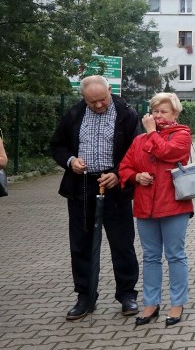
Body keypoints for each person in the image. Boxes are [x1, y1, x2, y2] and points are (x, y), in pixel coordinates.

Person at [50, 75, 140, 320]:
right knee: (81, 243)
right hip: (81, 186)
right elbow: (57, 146)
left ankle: (127, 295)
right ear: (83, 98)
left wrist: (118, 174)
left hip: (115, 186)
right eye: (93, 102)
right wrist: (71, 161)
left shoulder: (127, 113)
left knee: (122, 243)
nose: (99, 105)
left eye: (102, 99)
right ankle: (85, 296)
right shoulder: (73, 115)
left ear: (109, 90)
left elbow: (137, 150)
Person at [118, 92, 193, 327]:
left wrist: (151, 132)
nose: (158, 116)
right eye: (155, 111)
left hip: (173, 205)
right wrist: (135, 176)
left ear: (175, 114)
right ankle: (151, 303)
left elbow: (168, 153)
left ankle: (177, 303)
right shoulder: (139, 141)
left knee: (175, 255)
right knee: (150, 257)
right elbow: (124, 167)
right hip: (144, 207)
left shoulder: (182, 135)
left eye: (164, 112)